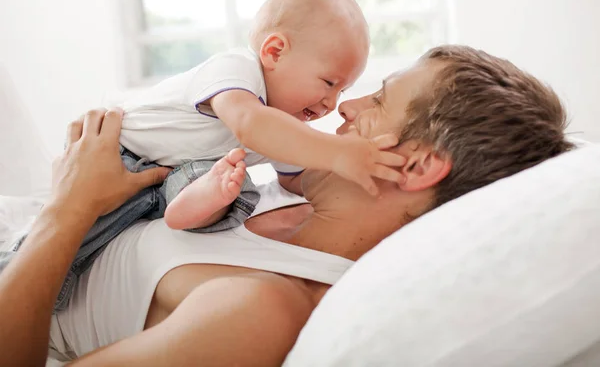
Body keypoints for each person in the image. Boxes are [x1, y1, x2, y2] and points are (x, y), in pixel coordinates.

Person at [0, 45, 573, 366]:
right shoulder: (269, 196)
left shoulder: (262, 308)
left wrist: (69, 210)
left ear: (418, 166)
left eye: (380, 100)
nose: (347, 106)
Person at [1, 0, 407, 313]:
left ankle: (190, 208)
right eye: (329, 83)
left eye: (344, 90)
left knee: (232, 184)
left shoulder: (283, 128)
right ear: (275, 51)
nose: (331, 105)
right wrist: (339, 152)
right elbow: (249, 125)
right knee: (76, 247)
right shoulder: (236, 73)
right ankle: (14, 270)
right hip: (125, 156)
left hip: (175, 177)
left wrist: (363, 175)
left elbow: (298, 181)